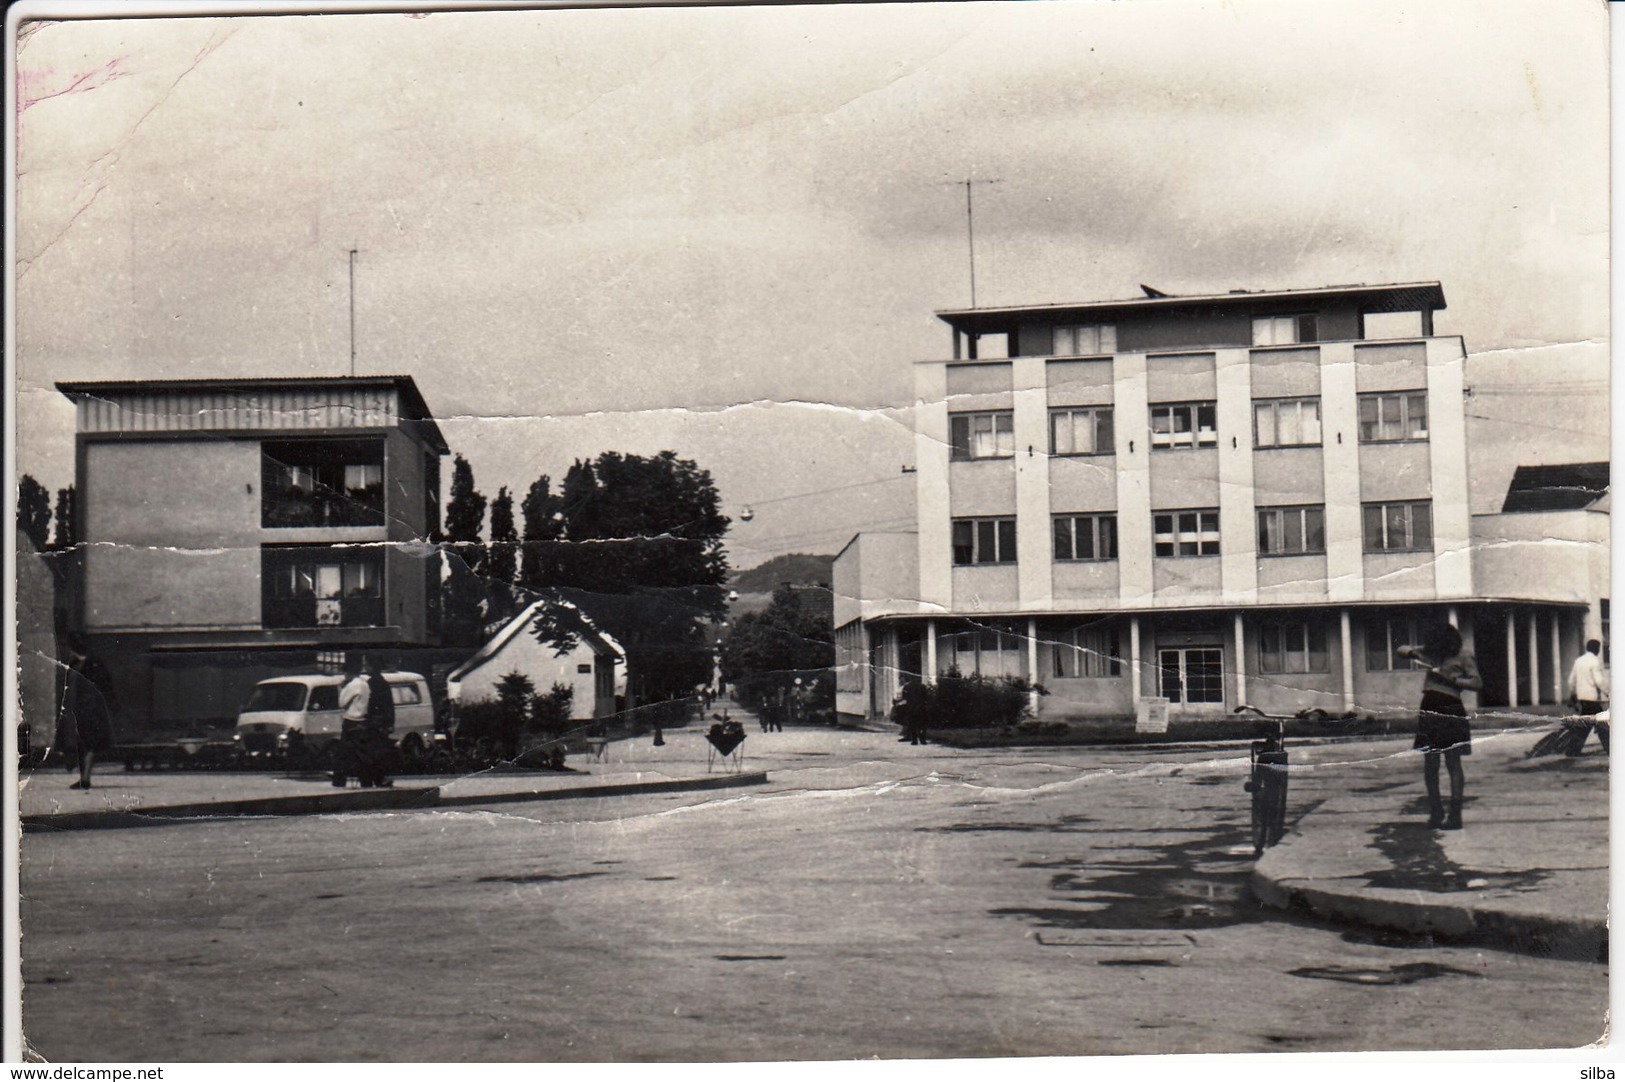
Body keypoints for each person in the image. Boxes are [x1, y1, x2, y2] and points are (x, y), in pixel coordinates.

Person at [1398, 623, 1482, 831]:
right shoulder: (1430, 653)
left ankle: (1454, 816)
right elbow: (1401, 650)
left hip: (1449, 704)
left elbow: (1477, 683)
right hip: (1430, 705)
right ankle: (1436, 812)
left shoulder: (1464, 655)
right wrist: (1414, 651)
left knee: (1451, 762)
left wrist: (1450, 677)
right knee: (1431, 762)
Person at [55, 656, 114, 791]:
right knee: (85, 746)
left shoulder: (77, 677)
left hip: (85, 713)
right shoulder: (82, 676)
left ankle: (85, 777)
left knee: (87, 745)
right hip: (83, 713)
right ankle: (84, 777)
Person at [1566, 639, 1610, 756]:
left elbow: (1571, 680)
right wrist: (1608, 692)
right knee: (1602, 724)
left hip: (1582, 698)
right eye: (1599, 648)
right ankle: (1610, 750)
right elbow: (1599, 680)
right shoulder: (1594, 661)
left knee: (1585, 725)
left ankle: (1572, 750)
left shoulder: (1578, 661)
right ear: (1596, 649)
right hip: (1591, 698)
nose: (1599, 651)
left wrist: (1573, 693)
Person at [332, 657, 371, 788]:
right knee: (362, 754)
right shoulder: (365, 684)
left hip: (351, 721)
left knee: (342, 754)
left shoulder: (352, 685)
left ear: (349, 672)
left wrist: (341, 688)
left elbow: (341, 703)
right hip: (363, 721)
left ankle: (339, 781)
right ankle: (366, 781)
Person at [362, 658, 397, 788]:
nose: (365, 667)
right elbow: (389, 705)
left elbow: (367, 704)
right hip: (382, 722)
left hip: (371, 722)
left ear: (372, 667)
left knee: (369, 752)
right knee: (379, 753)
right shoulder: (384, 684)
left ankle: (369, 779)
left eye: (367, 665)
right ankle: (379, 778)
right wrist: (390, 723)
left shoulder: (369, 684)